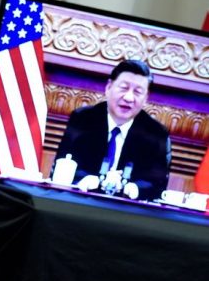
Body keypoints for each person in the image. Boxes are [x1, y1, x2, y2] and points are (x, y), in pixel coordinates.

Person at [54, 60, 170, 200]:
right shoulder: (83, 119)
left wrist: (133, 188)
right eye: (123, 88)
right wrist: (89, 180)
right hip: (82, 201)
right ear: (108, 87)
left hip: (126, 209)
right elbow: (64, 163)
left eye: (138, 92)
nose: (129, 98)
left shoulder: (156, 133)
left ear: (146, 98)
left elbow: (157, 184)